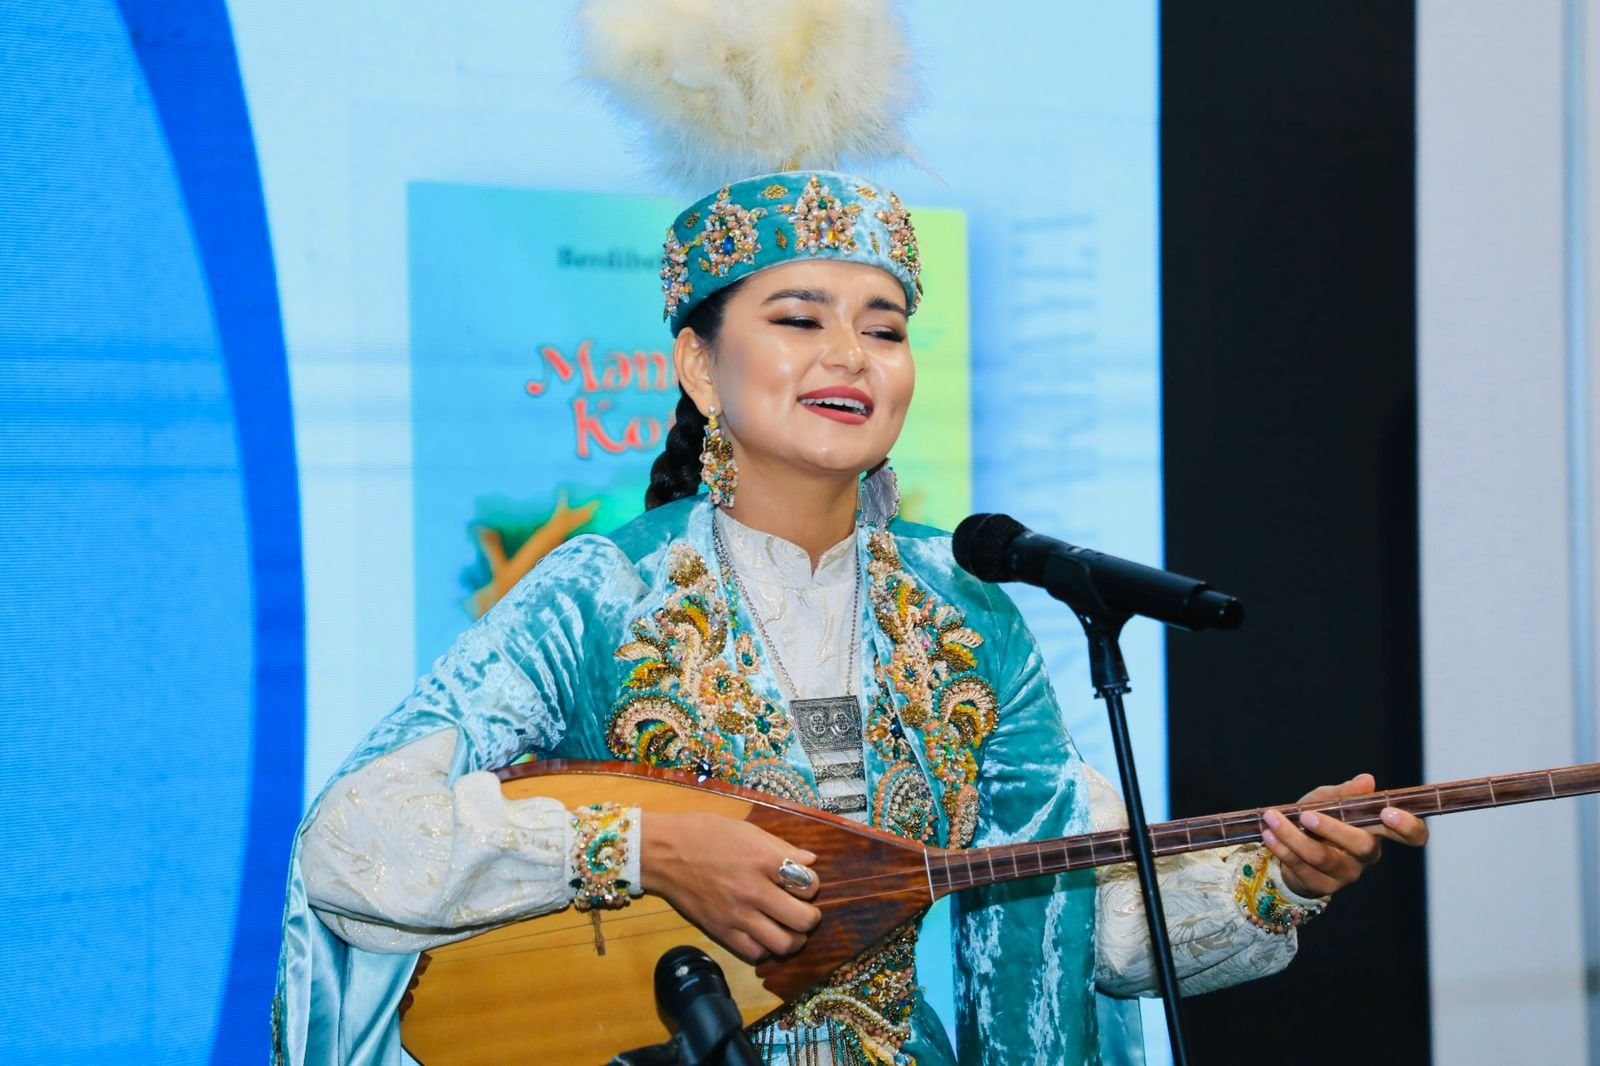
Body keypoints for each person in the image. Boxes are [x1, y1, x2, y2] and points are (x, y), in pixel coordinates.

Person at [272, 170, 1429, 1066]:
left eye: (883, 326)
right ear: (699, 364)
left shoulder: (969, 607)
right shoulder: (603, 590)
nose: (849, 354)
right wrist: (646, 846)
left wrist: (1281, 878)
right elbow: (354, 843)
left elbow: (1084, 927)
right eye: (798, 317)